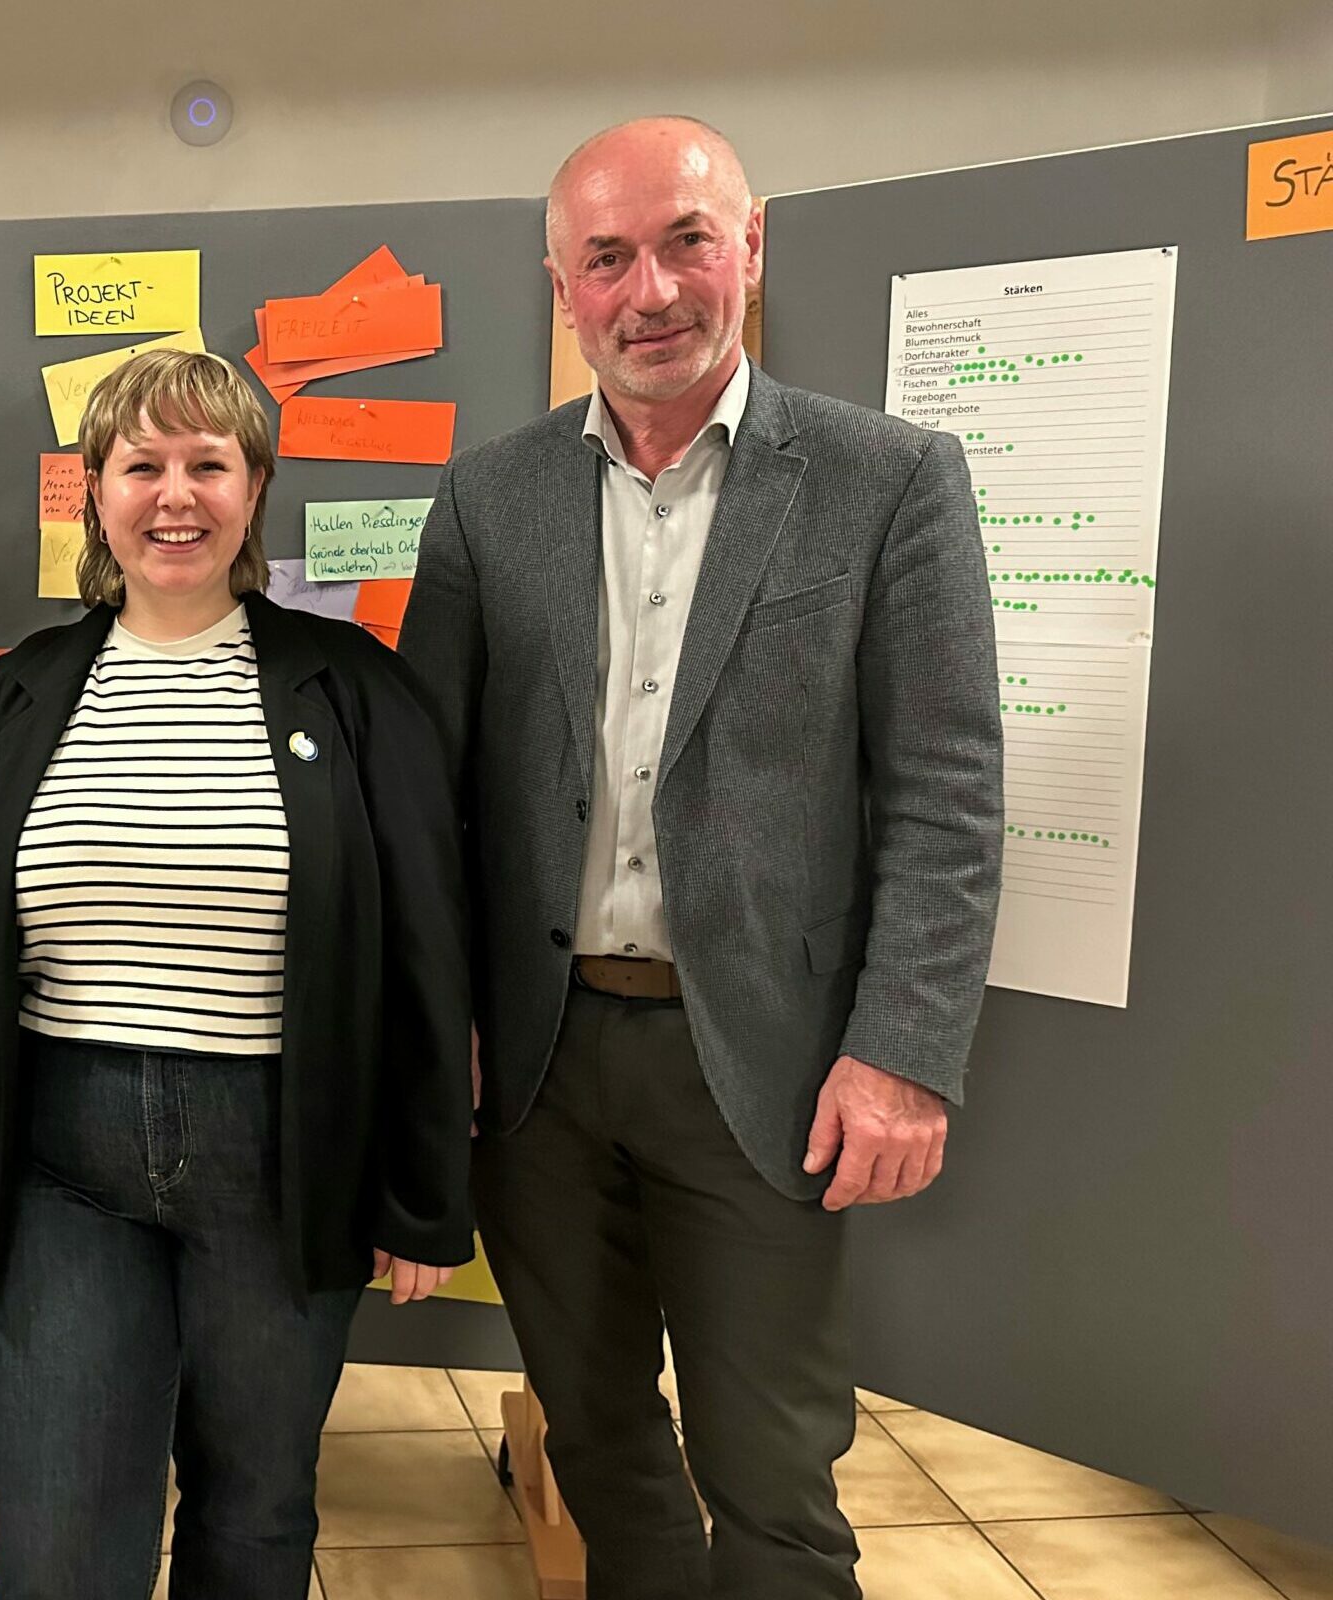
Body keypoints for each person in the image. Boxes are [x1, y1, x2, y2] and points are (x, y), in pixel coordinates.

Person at [398, 117, 1005, 1598]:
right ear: (563, 287)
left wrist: (905, 1050)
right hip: (537, 1071)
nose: (651, 290)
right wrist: (442, 1024)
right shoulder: (490, 498)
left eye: (685, 240)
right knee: (601, 1444)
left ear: (752, 246)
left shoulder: (887, 479)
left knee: (773, 1474)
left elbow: (946, 785)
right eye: (607, 258)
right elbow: (428, 796)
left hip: (769, 1066)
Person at [0, 348, 475, 1600]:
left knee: (253, 1514)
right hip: (54, 1161)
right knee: (54, 1534)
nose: (175, 494)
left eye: (208, 462)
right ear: (92, 491)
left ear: (255, 486)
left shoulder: (355, 691)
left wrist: (420, 1196)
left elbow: (425, 947)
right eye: (140, 464)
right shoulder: (21, 698)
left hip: (281, 1154)